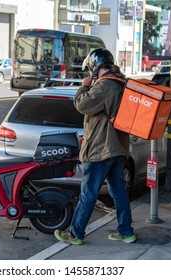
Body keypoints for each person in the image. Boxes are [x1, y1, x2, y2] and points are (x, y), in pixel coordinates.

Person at [54, 48, 136, 245]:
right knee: (119, 192)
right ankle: (126, 232)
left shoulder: (104, 86)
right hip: (118, 149)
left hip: (101, 150)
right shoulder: (121, 83)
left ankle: (75, 234)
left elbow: (82, 105)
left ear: (94, 67)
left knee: (88, 193)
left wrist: (83, 87)